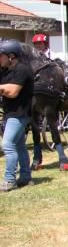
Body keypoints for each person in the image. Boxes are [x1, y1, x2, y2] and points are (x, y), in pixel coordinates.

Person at [1, 39, 34, 192]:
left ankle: (9, 179)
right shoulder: (5, 71)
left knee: (7, 145)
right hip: (10, 113)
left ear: (11, 56)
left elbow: (12, 92)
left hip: (20, 114)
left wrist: (4, 88)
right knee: (19, 145)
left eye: (1, 56)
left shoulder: (23, 69)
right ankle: (26, 177)